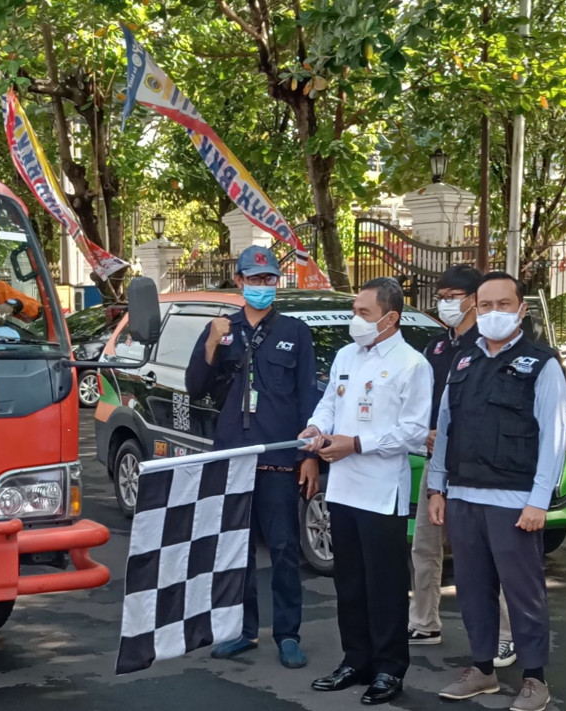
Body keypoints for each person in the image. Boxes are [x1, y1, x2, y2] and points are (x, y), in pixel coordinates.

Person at [427, 272, 566, 711]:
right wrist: (437, 488)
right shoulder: (463, 362)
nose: (493, 313)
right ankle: (483, 670)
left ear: (521, 309)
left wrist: (538, 501)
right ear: (475, 309)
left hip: (513, 501)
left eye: (503, 304)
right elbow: (445, 429)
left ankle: (534, 679)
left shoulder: (541, 364)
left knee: (523, 593)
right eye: (485, 306)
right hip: (465, 496)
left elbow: (554, 436)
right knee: (471, 588)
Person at [185, 245, 320, 670]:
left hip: (280, 455)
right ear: (239, 280)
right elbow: (196, 387)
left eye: (269, 279)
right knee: (236, 550)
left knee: (283, 548)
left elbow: (308, 399)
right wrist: (211, 340)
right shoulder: (223, 329)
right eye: (255, 279)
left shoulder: (295, 331)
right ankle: (243, 631)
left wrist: (309, 456)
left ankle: (288, 634)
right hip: (233, 455)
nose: (263, 286)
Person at [300, 277, 432, 705]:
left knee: (385, 584)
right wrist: (317, 428)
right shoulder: (346, 355)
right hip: (343, 489)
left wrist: (357, 443)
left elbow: (413, 433)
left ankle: (389, 669)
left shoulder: (413, 364)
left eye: (364, 314)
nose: (355, 321)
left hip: (380, 492)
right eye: (354, 311)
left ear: (390, 318)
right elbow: (330, 403)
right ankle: (355, 659)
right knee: (350, 582)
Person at [408, 265, 517, 667]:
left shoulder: (490, 345)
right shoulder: (436, 347)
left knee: (492, 553)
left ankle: (507, 634)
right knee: (425, 544)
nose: (445, 303)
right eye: (441, 295)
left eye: (453, 295)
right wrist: (425, 432)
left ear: (472, 299)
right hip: (438, 459)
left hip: (480, 464)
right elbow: (421, 400)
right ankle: (424, 620)